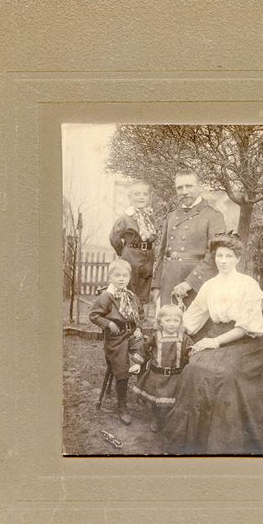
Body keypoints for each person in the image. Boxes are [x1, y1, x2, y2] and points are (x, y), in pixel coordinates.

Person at [162, 232, 263, 454]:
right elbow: (193, 317)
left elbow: (245, 328)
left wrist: (213, 342)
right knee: (193, 369)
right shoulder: (210, 285)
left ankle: (223, 443)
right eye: (219, 256)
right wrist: (172, 329)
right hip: (217, 338)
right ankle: (194, 439)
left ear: (237, 258)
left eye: (228, 256)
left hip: (246, 344)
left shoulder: (248, 285)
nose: (223, 261)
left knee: (224, 375)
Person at [151, 168, 225, 307]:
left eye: (189, 186)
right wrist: (156, 285)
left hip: (197, 283)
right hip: (169, 281)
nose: (184, 191)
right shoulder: (172, 216)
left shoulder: (213, 215)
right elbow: (162, 253)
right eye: (180, 188)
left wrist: (190, 282)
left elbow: (214, 254)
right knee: (168, 320)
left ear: (199, 187)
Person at [89, 259, 145, 425]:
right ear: (110, 277)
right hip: (115, 338)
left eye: (125, 276)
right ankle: (122, 405)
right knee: (122, 366)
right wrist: (108, 324)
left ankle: (143, 392)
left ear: (129, 277)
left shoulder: (131, 296)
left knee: (146, 354)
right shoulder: (106, 297)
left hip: (131, 334)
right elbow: (93, 315)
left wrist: (138, 327)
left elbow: (140, 314)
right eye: (117, 275)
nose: (121, 279)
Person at [131, 305, 194, 432]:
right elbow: (144, 349)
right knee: (157, 399)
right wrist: (137, 363)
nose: (172, 324)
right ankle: (157, 419)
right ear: (160, 322)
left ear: (180, 322)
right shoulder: (156, 336)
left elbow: (190, 350)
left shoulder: (184, 338)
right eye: (168, 320)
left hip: (175, 376)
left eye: (176, 321)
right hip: (157, 375)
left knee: (172, 398)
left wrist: (191, 354)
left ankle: (171, 420)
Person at [109, 180, 156, 304]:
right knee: (129, 290)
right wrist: (123, 252)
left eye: (145, 194)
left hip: (148, 257)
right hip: (131, 256)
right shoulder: (125, 217)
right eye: (137, 194)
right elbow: (114, 237)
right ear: (130, 197)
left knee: (143, 291)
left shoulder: (149, 217)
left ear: (149, 197)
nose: (141, 197)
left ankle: (140, 313)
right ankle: (127, 314)